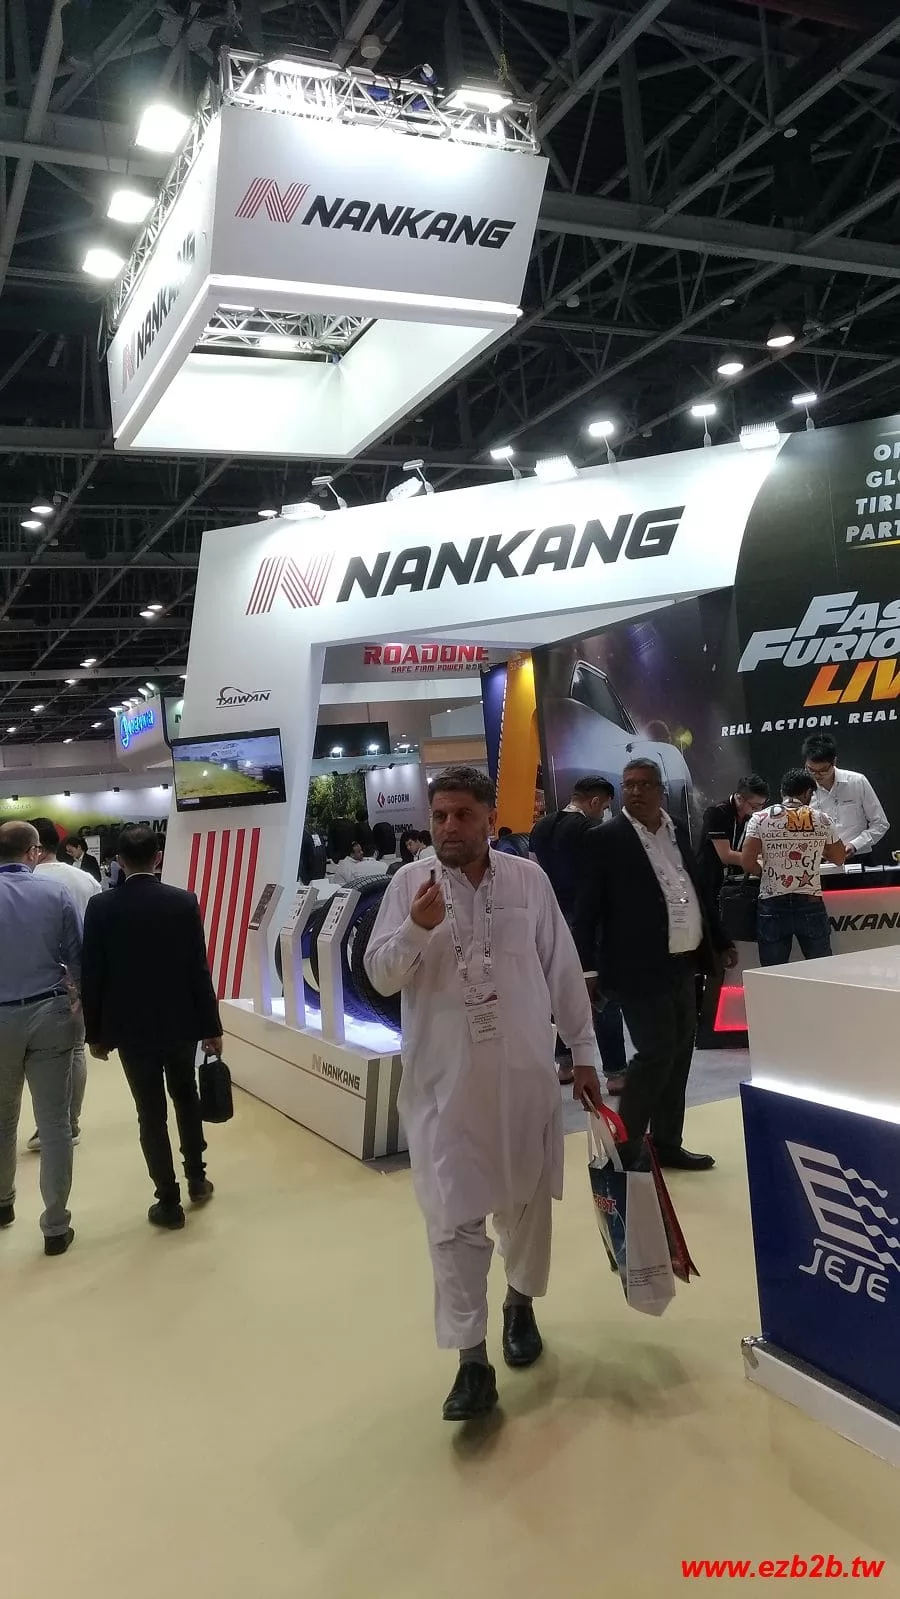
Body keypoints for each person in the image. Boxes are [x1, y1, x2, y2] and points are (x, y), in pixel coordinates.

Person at [365, 765, 601, 1423]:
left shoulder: (528, 880)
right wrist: (415, 929)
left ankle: (519, 1304)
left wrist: (584, 1052)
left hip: (523, 1078)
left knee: (526, 1207)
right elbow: (380, 976)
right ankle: (472, 1362)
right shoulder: (408, 886)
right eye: (439, 815)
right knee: (451, 1222)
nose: (449, 827)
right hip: (443, 1088)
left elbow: (562, 968)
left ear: (490, 819)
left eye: (463, 814)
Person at [574, 758, 736, 1172]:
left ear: (660, 790)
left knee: (679, 1055)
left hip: (683, 962)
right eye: (628, 784)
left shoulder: (676, 829)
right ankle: (624, 1149)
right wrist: (588, 970)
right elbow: (586, 912)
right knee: (655, 1053)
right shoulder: (605, 838)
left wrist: (718, 940)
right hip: (636, 968)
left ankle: (667, 1144)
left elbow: (696, 888)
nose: (635, 791)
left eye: (644, 784)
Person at [80, 825, 222, 1230]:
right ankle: (197, 1177)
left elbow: (93, 975)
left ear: (118, 861)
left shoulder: (101, 907)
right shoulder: (183, 902)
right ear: (157, 858)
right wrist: (211, 1026)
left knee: (150, 1112)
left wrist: (95, 1034)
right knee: (186, 1097)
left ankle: (168, 1201)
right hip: (181, 1023)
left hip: (131, 1029)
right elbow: (198, 969)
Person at [0, 821, 81, 1256]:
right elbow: (77, 956)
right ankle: (55, 1226)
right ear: (33, 852)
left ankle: (2, 1203)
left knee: (2, 1119)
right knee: (54, 1124)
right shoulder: (55, 893)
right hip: (50, 1013)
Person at [530, 776, 629, 1093]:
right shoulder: (591, 831)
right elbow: (602, 880)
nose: (604, 812)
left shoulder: (541, 827)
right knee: (602, 993)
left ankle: (564, 1063)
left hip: (551, 918)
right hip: (587, 921)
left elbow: (535, 874)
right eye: (605, 806)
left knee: (561, 990)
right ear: (596, 801)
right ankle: (615, 1072)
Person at [25, 816, 101, 1153]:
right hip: (79, 977)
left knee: (34, 1058)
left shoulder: (26, 882)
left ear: (35, 847)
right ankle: (69, 1123)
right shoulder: (85, 880)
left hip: (34, 983)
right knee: (75, 1050)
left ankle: (48, 1125)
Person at [741, 768, 846, 966]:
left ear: (782, 791)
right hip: (810, 901)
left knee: (773, 972)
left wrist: (764, 872)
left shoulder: (760, 818)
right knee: (821, 969)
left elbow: (747, 862)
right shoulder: (821, 819)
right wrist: (818, 849)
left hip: (772, 902)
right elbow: (839, 858)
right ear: (808, 793)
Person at [801, 733, 888, 861]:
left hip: (858, 856)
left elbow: (880, 823)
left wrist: (855, 845)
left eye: (823, 770)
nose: (817, 775)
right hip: (819, 861)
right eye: (811, 770)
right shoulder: (802, 789)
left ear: (834, 762)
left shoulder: (857, 781)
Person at [696, 776, 769, 901]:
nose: (759, 810)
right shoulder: (717, 812)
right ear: (739, 798)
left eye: (762, 805)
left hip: (735, 882)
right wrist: (760, 867)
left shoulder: (751, 817)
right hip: (710, 880)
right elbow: (726, 855)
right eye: (755, 806)